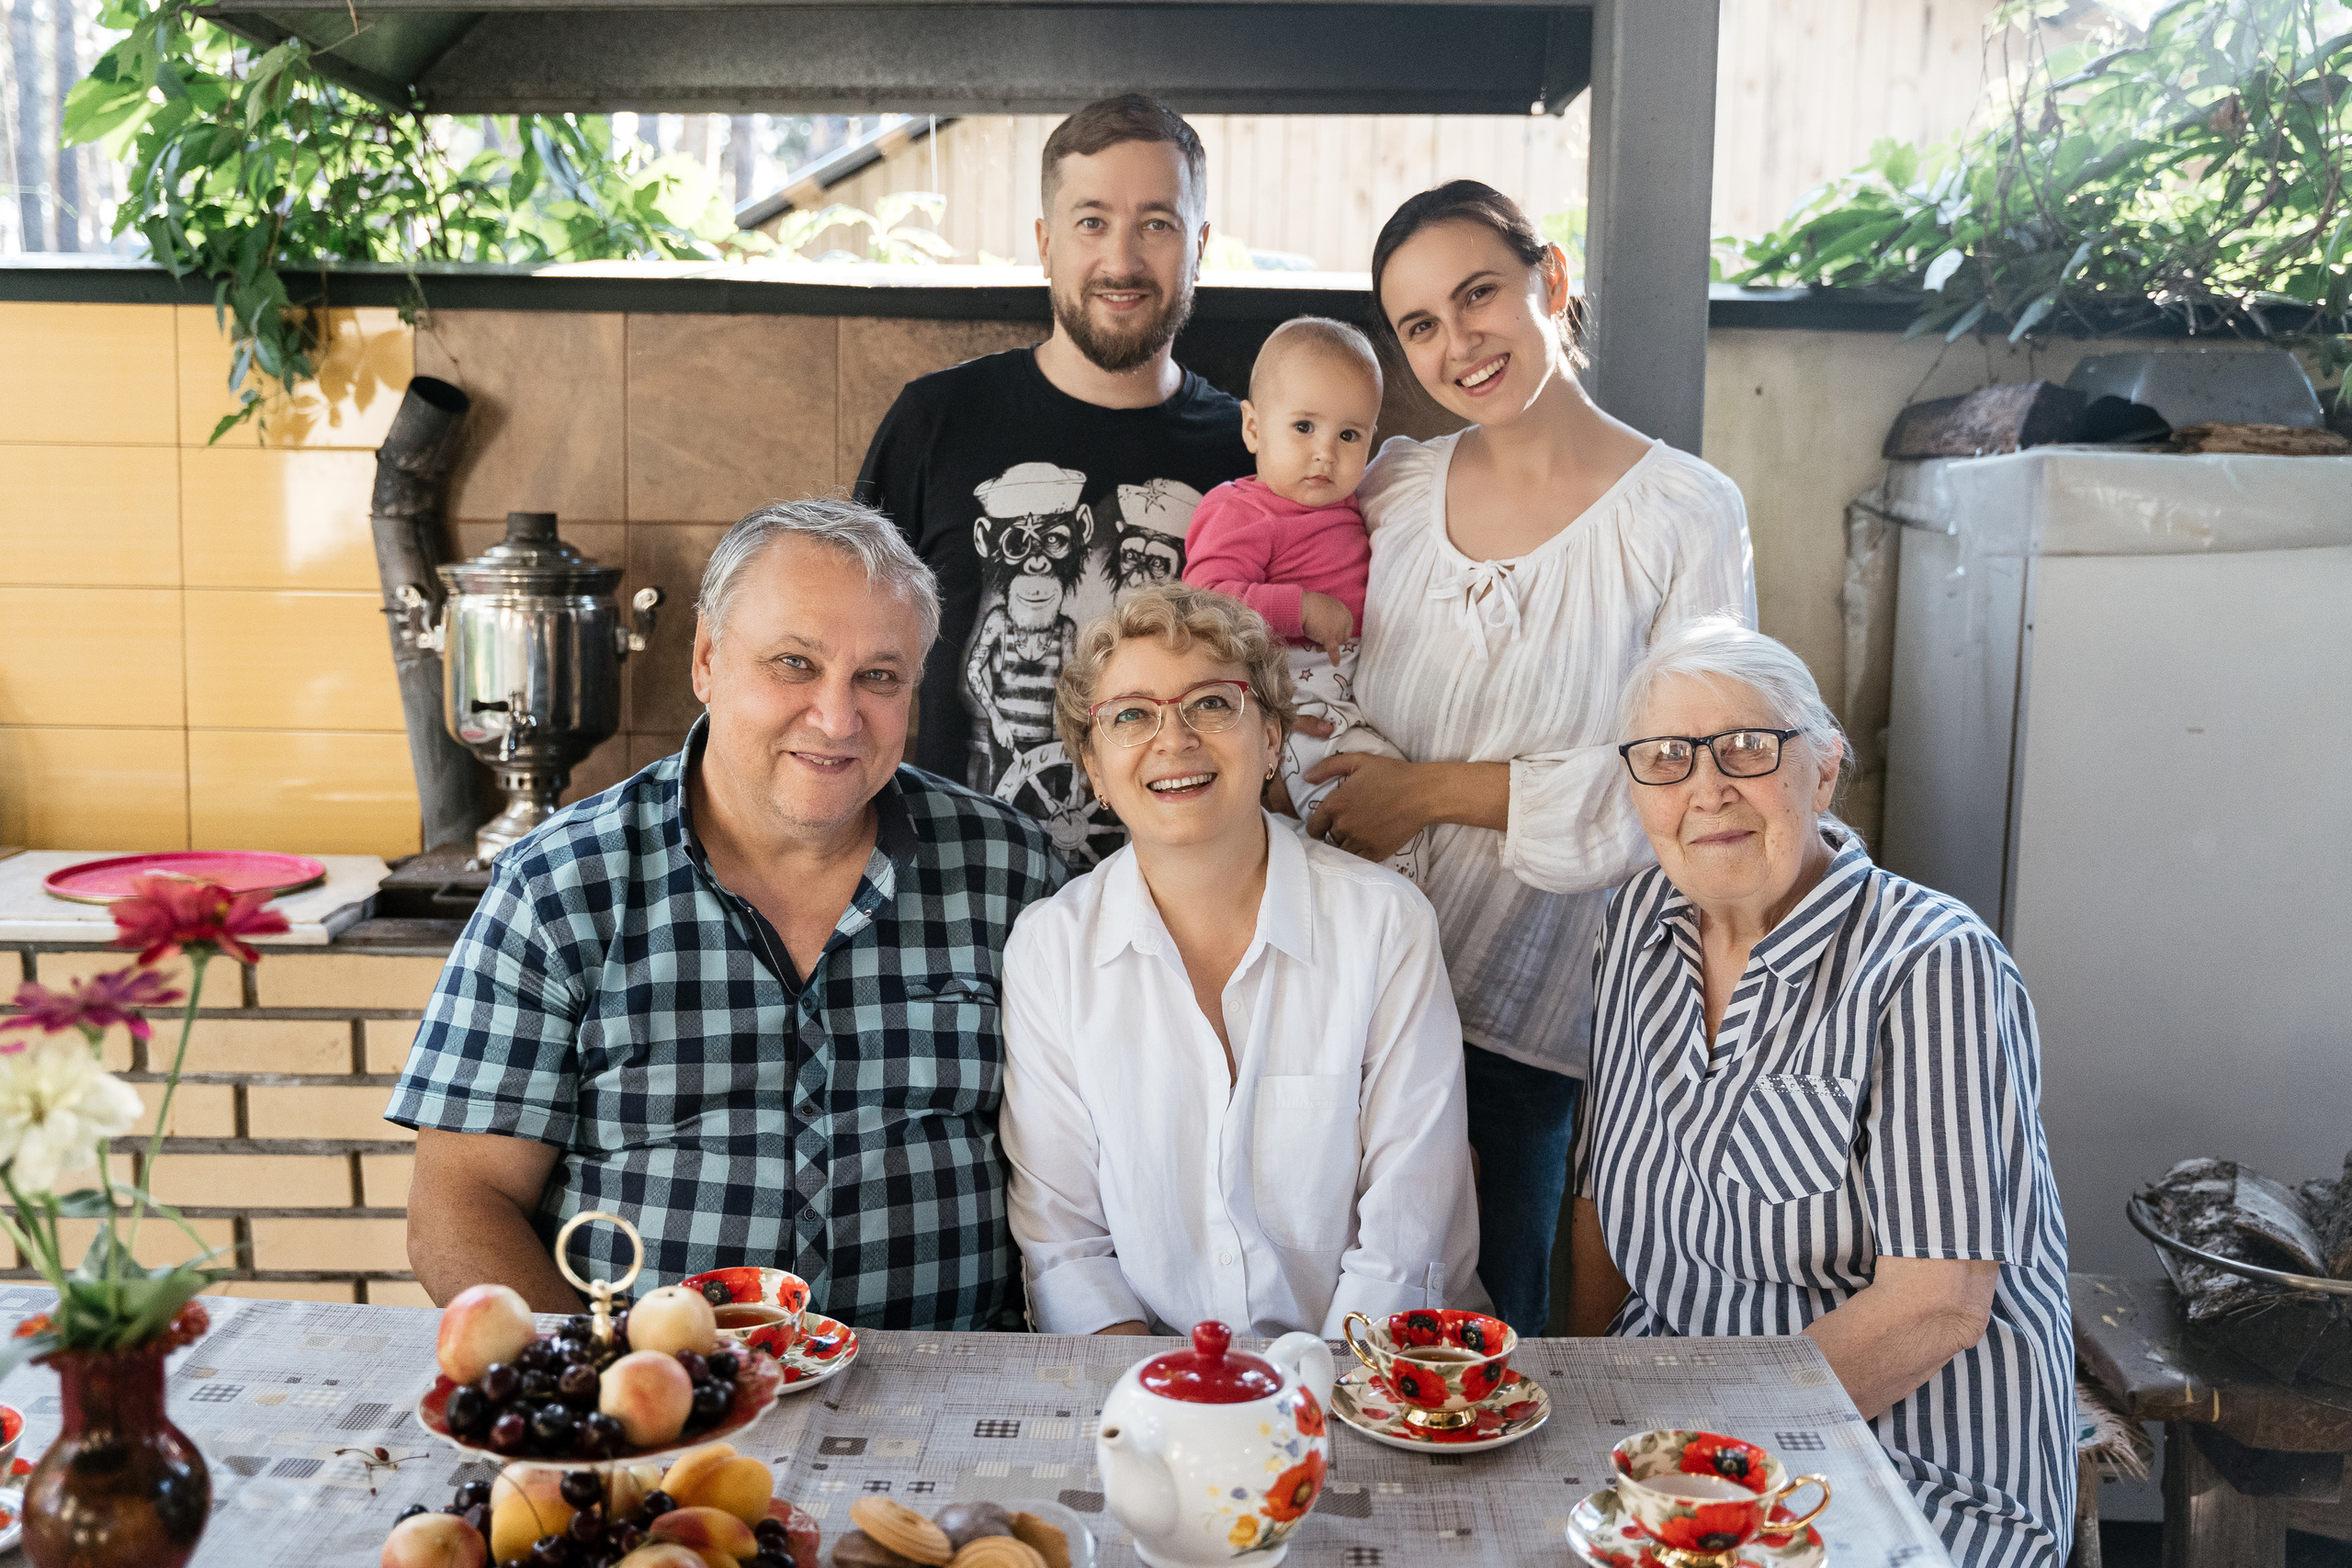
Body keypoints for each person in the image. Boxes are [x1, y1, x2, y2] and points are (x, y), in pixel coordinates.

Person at [387, 500, 1066, 1332]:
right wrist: (607, 1382)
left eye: (879, 676)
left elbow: (1098, 1179)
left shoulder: (1012, 871)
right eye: (793, 663)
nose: (837, 717)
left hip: (952, 1403)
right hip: (658, 1407)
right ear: (707, 659)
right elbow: (459, 1204)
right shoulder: (560, 883)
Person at [1303, 180, 1753, 1335]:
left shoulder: (1683, 514)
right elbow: (1320, 680)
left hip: (1534, 1016)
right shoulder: (1395, 487)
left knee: (1490, 1332)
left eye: (1478, 297)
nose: (1458, 345)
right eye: (1420, 326)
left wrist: (1427, 794)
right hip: (1346, 987)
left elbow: (1698, 770)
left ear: (1549, 280)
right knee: (1326, 1311)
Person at [1569, 617, 2075, 1568]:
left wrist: (1704, 1463)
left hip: (1909, 1461)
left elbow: (1937, 1307)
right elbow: (1599, 1195)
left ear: (1823, 769)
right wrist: (1587, 1418)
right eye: (1666, 759)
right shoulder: (1634, 926)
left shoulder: (1932, 963)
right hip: (1669, 1439)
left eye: (1748, 749)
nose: (1707, 789)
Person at [1000, 583, 1481, 1338]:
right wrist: (1176, 1413)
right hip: (1150, 1398)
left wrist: (1305, 1418)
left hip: (1372, 1383)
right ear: (1093, 767)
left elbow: (1405, 1244)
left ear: (1272, 740)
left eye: (1213, 704)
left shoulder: (1385, 925)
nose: (1175, 738)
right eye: (1132, 714)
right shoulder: (1049, 952)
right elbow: (1067, 1249)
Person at [857, 94, 1252, 872]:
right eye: (1091, 221)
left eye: (1158, 224)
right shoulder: (936, 422)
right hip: (964, 905)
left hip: (1192, 913)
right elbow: (854, 662)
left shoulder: (1253, 451)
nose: (1122, 260)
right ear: (1045, 244)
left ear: (1200, 244)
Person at [1180, 317, 1422, 882]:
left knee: (1391, 810)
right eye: (1304, 427)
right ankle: (1351, 909)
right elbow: (1203, 606)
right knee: (1349, 822)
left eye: (1348, 436)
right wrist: (1301, 608)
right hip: (1290, 689)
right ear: (1254, 428)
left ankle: (1391, 915)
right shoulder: (1242, 509)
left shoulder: (1355, 507)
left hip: (1352, 690)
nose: (1325, 454)